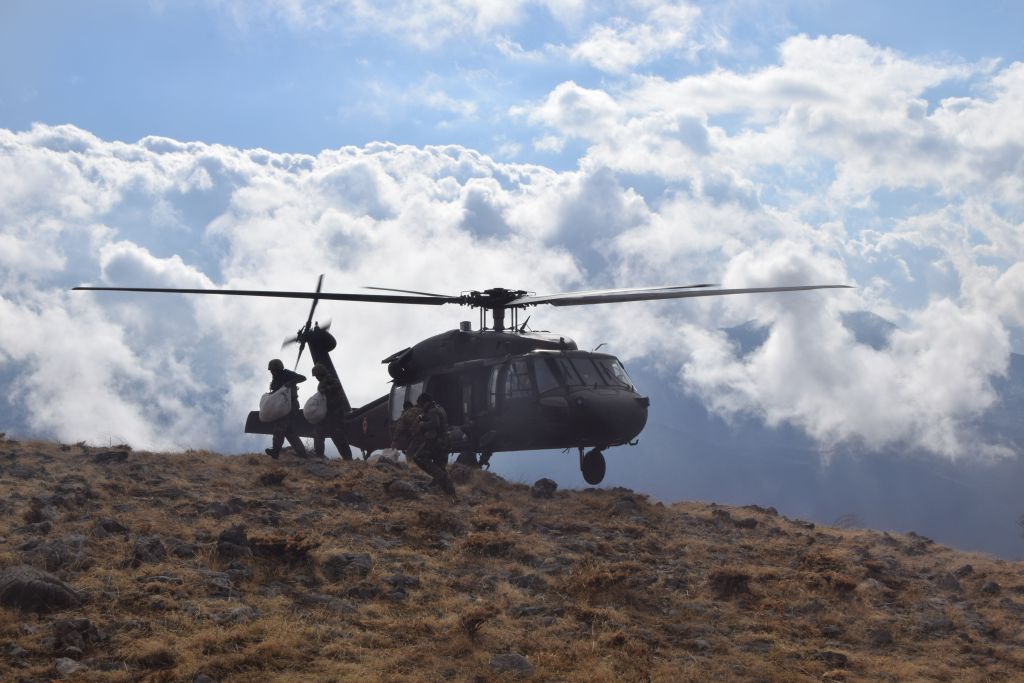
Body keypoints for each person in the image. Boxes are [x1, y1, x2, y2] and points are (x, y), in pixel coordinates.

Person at [409, 393, 457, 500]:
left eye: (422, 404)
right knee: (440, 466)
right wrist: (423, 417)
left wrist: (422, 424)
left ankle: (439, 477)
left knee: (419, 458)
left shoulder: (433, 411)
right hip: (445, 442)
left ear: (427, 402)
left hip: (437, 442)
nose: (421, 407)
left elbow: (434, 423)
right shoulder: (439, 408)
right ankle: (451, 495)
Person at [266, 358, 308, 459]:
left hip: (291, 406)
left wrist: (291, 383)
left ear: (278, 369)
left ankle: (275, 452)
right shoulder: (275, 379)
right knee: (289, 432)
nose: (272, 372)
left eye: (273, 370)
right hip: (281, 407)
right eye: (271, 370)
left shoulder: (287, 374)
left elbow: (303, 378)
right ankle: (302, 453)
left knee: (280, 428)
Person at [311, 363, 351, 460]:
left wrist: (326, 389)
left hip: (336, 414)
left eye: (317, 375)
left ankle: (348, 458)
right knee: (319, 433)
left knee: (338, 437)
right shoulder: (323, 382)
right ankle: (319, 455)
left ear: (321, 373)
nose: (316, 377)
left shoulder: (330, 379)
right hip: (327, 413)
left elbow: (337, 386)